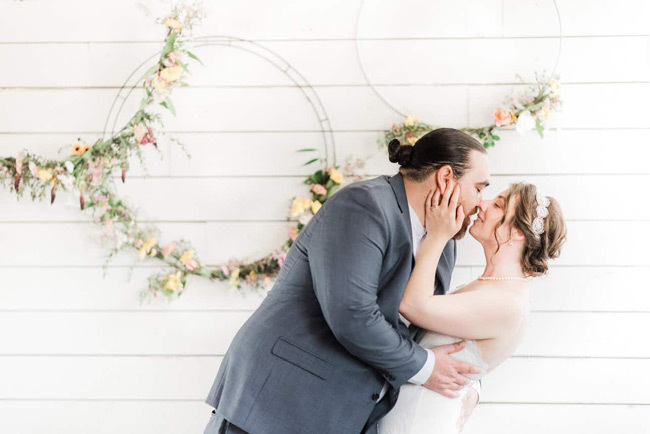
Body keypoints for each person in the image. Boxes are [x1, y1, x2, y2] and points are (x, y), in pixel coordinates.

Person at [203, 128, 493, 434]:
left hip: (343, 413)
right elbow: (352, 313)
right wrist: (426, 367)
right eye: (478, 187)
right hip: (279, 399)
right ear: (446, 178)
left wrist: (468, 385)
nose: (481, 202)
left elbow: (422, 322)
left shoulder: (444, 240)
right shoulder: (364, 205)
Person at [377, 174, 567, 433]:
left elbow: (412, 306)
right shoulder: (496, 285)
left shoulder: (506, 302)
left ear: (518, 232)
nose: (483, 204)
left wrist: (438, 234)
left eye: (499, 205)